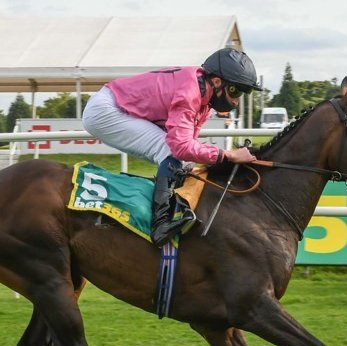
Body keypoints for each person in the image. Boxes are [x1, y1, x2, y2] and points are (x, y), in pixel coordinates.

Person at [83, 48, 262, 247]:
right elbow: (180, 147)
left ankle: (171, 209)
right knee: (169, 151)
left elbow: (188, 148)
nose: (236, 101)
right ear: (217, 81)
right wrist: (228, 155)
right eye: (235, 91)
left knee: (183, 161)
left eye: (243, 94)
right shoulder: (190, 92)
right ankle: (160, 224)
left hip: (116, 105)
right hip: (105, 110)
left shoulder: (205, 94)